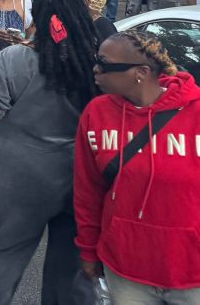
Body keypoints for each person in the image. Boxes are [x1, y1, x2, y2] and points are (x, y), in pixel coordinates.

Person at [0, 0, 99, 305]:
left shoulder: (16, 58)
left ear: (36, 15)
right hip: (80, 174)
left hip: (22, 172)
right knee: (71, 272)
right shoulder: (95, 58)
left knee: (1, 259)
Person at [75, 31, 200, 303]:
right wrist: (87, 250)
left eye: (105, 64)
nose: (95, 69)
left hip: (192, 272)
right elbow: (87, 190)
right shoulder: (96, 113)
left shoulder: (196, 113)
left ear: (140, 72)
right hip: (125, 268)